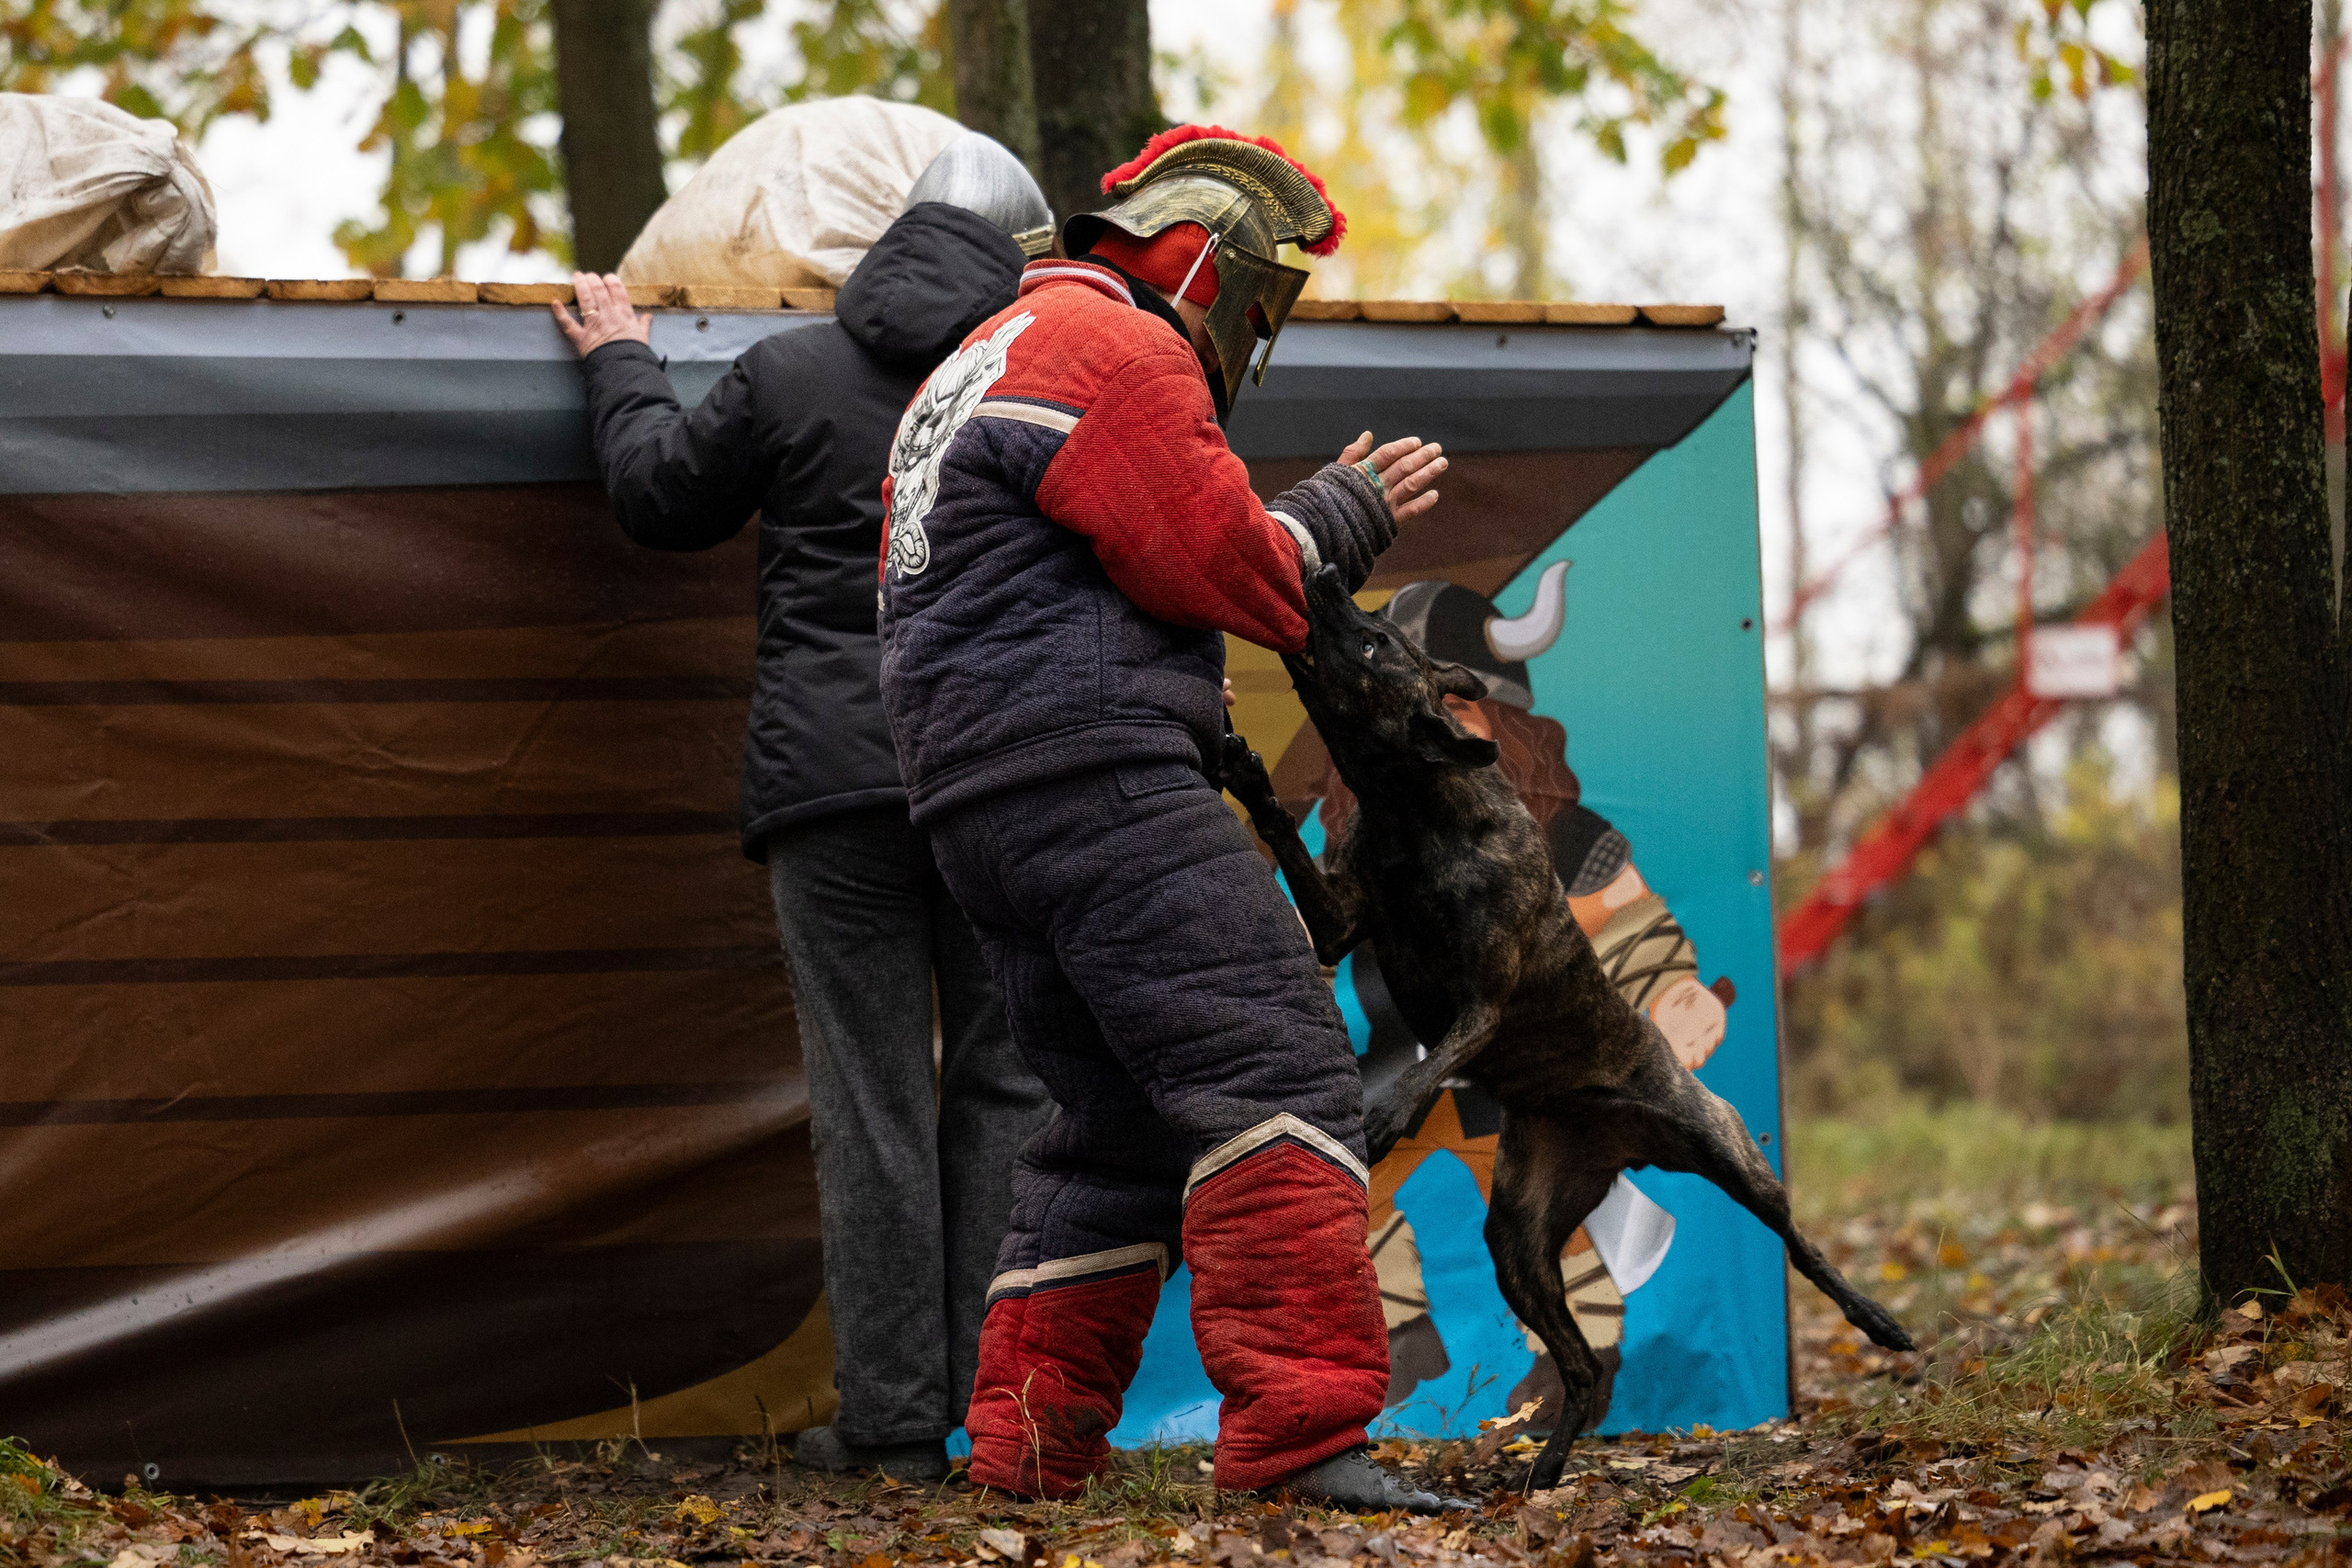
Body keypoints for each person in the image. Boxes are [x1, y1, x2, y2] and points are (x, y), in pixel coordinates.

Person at [875, 124, 1453, 1511]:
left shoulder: (969, 365)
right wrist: (1348, 510)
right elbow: (1234, 572)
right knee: (1278, 1071)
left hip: (978, 811)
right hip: (1096, 784)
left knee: (1111, 1132)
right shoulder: (1108, 348)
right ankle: (1304, 1437)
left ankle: (1021, 1456)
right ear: (1208, 260)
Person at [550, 132, 1058, 1483]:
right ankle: (1001, 1422)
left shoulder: (789, 370)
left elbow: (659, 499)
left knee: (872, 1101)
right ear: (1019, 262)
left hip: (832, 791)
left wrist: (620, 360)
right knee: (1008, 1088)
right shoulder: (1034, 385)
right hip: (993, 783)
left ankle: (892, 1425)